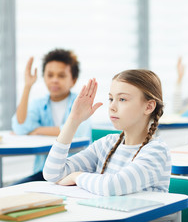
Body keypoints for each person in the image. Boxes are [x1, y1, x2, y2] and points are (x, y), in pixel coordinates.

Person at [43, 70, 171, 196]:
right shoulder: (107, 144)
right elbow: (53, 174)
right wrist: (73, 120)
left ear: (149, 107)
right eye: (111, 99)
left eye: (122, 99)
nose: (112, 107)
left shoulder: (157, 151)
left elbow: (114, 186)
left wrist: (76, 177)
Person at [11, 49, 91, 183]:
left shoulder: (81, 102)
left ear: (73, 80)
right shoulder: (39, 103)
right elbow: (20, 127)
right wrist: (27, 87)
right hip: (44, 173)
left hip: (75, 173)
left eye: (61, 76)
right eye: (50, 75)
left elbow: (76, 131)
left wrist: (37, 131)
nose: (54, 80)